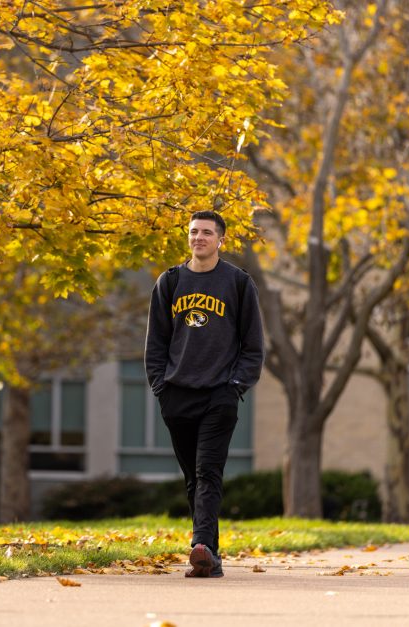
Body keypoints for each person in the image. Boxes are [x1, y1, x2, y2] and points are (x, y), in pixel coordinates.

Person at [144, 210, 265, 578]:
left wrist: (235, 387)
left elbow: (253, 346)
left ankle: (202, 544)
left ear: (221, 240)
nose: (199, 238)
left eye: (207, 233)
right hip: (177, 395)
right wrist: (161, 388)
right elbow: (156, 343)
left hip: (219, 395)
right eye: (194, 232)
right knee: (193, 478)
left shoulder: (238, 283)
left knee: (208, 470)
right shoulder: (170, 282)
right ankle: (209, 557)